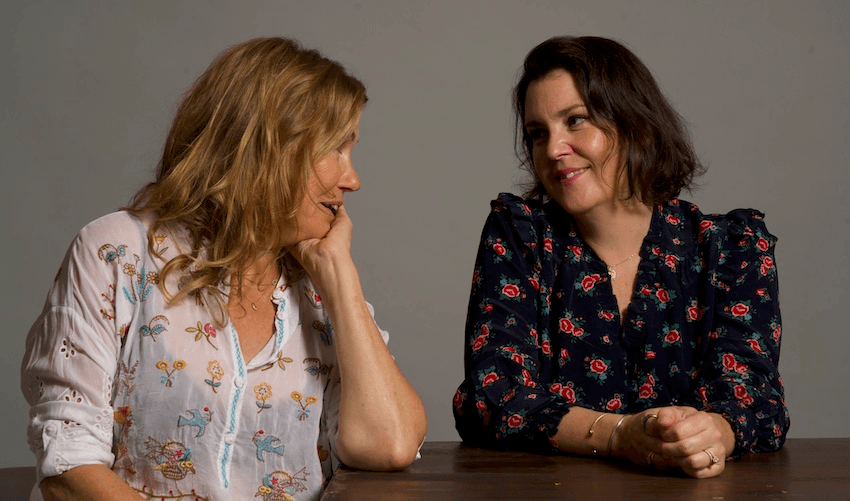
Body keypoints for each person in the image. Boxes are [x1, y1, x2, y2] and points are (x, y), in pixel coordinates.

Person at [21, 37, 427, 501]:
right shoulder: (118, 253)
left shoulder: (319, 294)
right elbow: (68, 464)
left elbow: (389, 444)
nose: (352, 179)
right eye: (336, 149)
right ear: (266, 147)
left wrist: (341, 282)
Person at [453, 36, 788, 479]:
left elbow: (753, 396)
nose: (552, 150)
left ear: (637, 124)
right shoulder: (520, 236)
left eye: (575, 121)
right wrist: (618, 436)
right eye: (538, 134)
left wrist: (712, 435)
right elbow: (491, 395)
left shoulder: (730, 247)